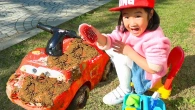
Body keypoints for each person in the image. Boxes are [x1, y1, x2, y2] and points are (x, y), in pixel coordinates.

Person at [79, 0, 171, 106]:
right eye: (126, 17)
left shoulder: (155, 39)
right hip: (138, 65)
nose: (132, 23)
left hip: (147, 77)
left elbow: (154, 69)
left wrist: (129, 52)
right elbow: (111, 41)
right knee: (112, 48)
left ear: (150, 14)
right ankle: (126, 74)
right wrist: (98, 36)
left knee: (121, 56)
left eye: (137, 16)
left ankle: (125, 90)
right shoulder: (125, 30)